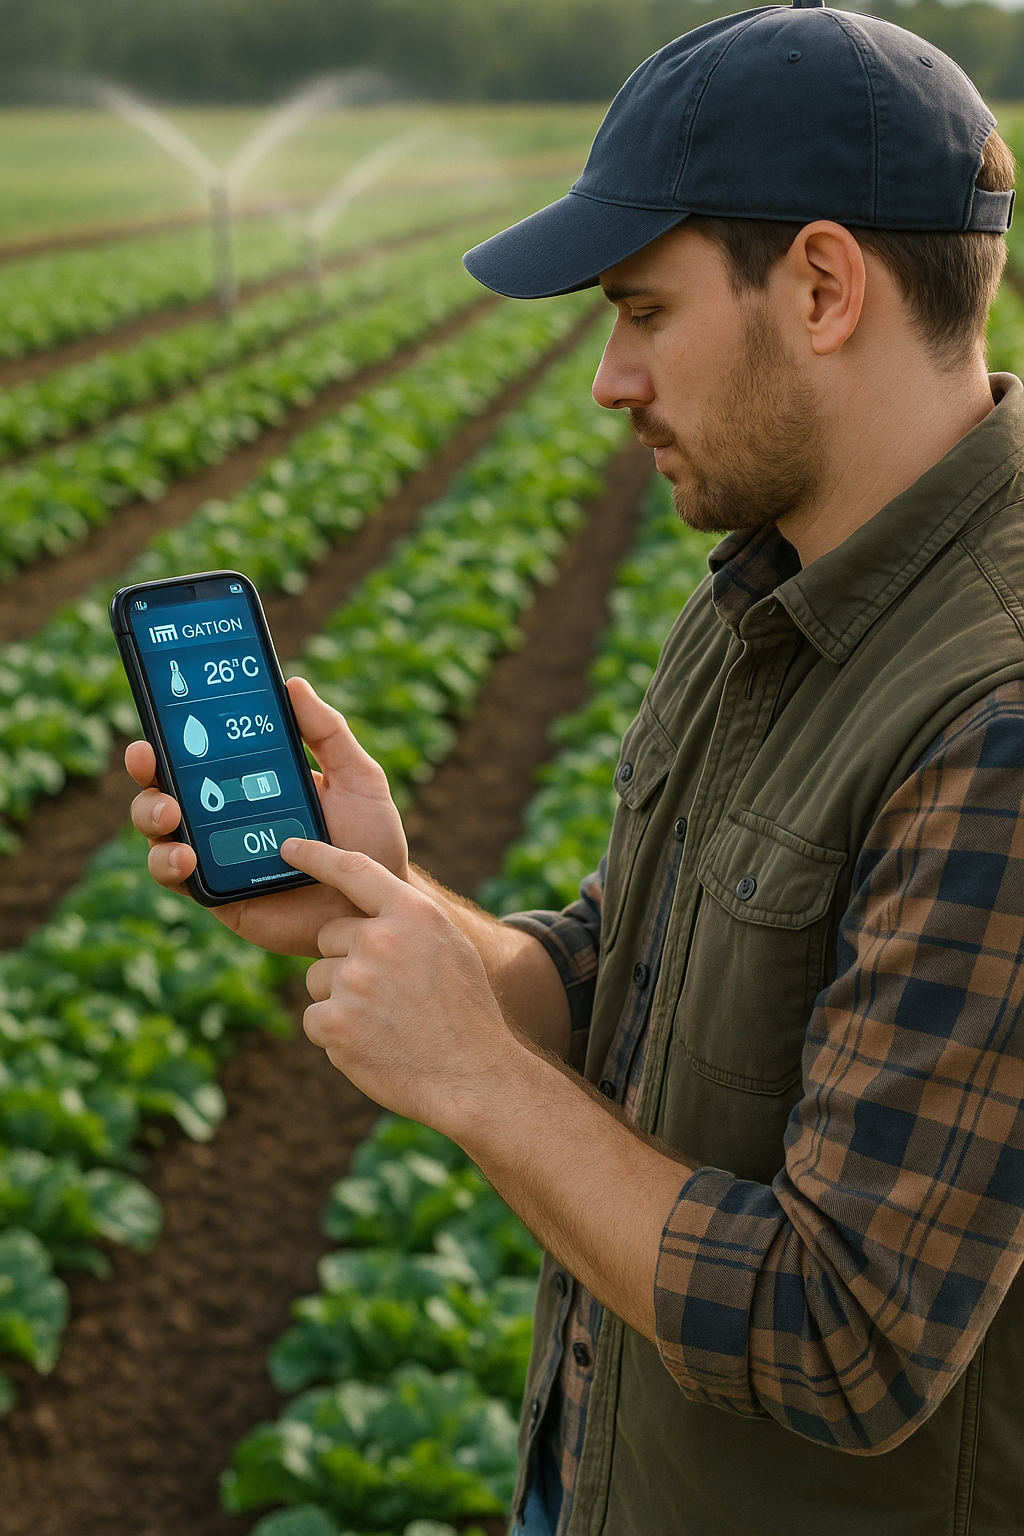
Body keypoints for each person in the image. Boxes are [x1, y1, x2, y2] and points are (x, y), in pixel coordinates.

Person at [126, 4, 1024, 1532]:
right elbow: (624, 978)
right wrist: (383, 901)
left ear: (820, 285)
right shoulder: (769, 582)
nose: (611, 380)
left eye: (644, 311)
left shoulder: (993, 713)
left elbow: (847, 1336)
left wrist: (470, 1079)